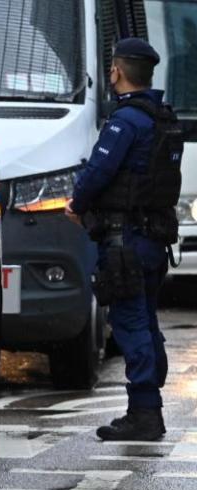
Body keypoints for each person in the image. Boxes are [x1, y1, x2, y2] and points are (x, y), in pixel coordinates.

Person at [66, 38, 184, 441]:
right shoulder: (162, 118)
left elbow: (98, 172)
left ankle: (145, 414)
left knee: (131, 322)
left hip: (124, 242)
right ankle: (147, 408)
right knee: (145, 318)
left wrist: (77, 204)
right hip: (152, 239)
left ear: (116, 71)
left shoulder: (125, 122)